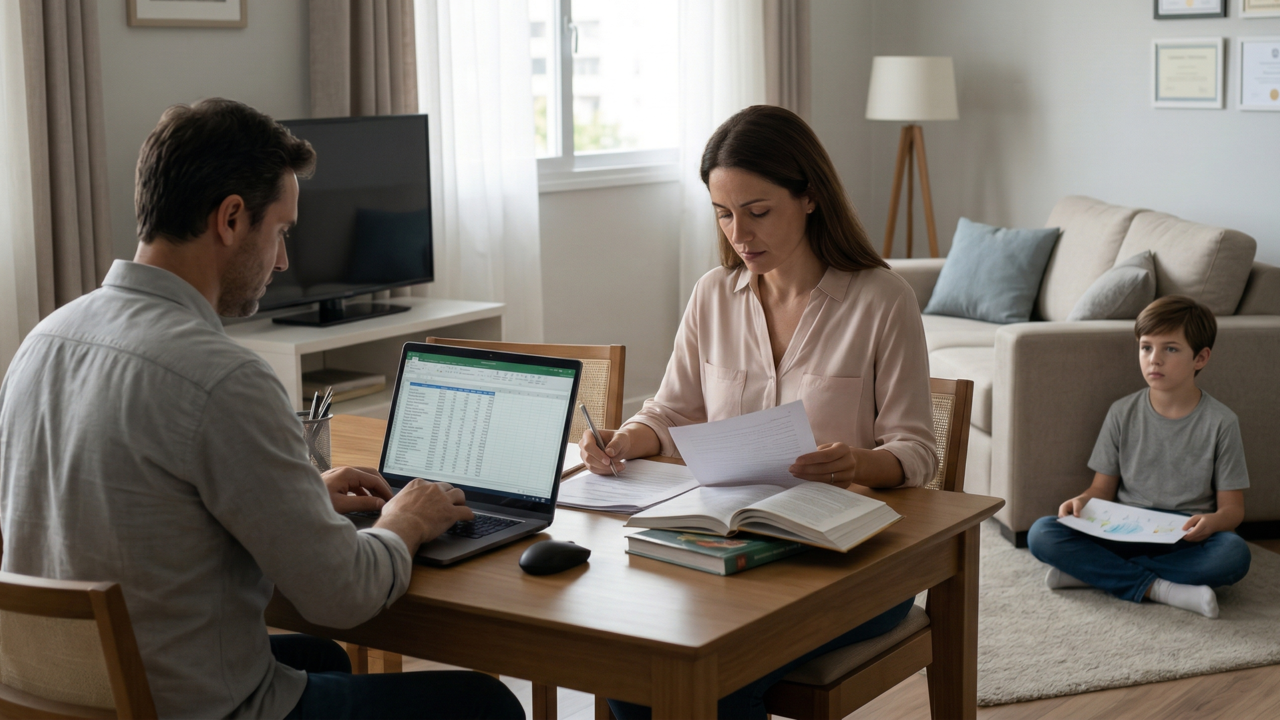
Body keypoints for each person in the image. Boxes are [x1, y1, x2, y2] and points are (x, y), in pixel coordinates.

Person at [0, 99, 524, 720]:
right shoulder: (222, 378)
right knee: (481, 702)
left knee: (320, 659)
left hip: (68, 695)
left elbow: (133, 504)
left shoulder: (44, 340)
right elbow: (345, 594)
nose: (281, 261)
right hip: (197, 709)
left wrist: (298, 496)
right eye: (280, 232)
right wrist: (406, 519)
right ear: (229, 219)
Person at [578, 105, 937, 720]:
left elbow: (917, 453)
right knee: (636, 670)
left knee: (705, 679)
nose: (739, 234)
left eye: (758, 211)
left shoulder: (882, 299)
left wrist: (858, 462)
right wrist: (628, 439)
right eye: (723, 213)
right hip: (729, 546)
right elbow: (671, 410)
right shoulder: (712, 295)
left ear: (810, 198)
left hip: (849, 559)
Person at [1027, 296, 1251, 619]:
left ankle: (1091, 573)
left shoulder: (1221, 422)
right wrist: (1081, 501)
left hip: (1185, 540)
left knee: (1234, 555)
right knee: (1042, 533)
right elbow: (1101, 491)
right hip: (1123, 531)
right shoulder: (1121, 412)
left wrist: (1212, 523)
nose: (1154, 359)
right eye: (1146, 347)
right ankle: (1162, 588)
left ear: (1200, 358)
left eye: (1170, 349)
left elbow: (1233, 510)